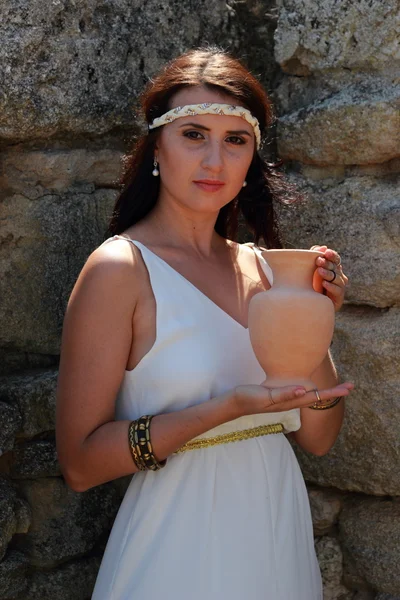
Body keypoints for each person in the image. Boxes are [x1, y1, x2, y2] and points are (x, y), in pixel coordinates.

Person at [56, 48, 353, 600]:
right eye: (193, 134)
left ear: (251, 160)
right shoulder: (121, 269)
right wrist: (226, 409)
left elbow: (318, 437)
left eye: (234, 141)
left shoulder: (267, 271)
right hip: (179, 551)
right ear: (156, 149)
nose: (214, 161)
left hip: (277, 543)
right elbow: (79, 464)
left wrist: (314, 324)